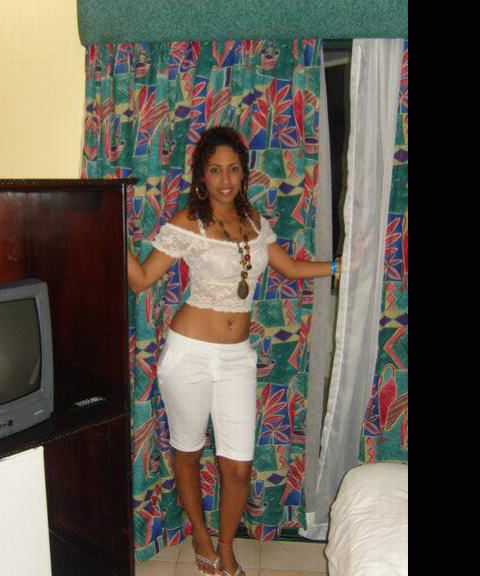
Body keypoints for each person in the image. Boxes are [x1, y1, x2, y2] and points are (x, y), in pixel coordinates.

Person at [127, 126, 340, 576]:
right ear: (201, 176)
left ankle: (226, 544)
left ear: (245, 173)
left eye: (233, 169)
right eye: (215, 170)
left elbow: (290, 268)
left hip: (237, 358)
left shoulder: (255, 221)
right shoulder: (188, 222)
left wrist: (341, 266)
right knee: (188, 452)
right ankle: (200, 535)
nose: (225, 180)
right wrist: (109, 228)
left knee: (238, 467)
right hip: (188, 355)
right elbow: (141, 280)